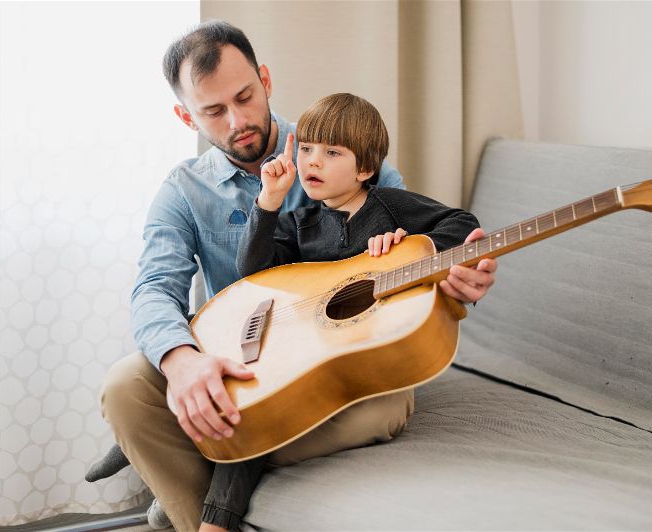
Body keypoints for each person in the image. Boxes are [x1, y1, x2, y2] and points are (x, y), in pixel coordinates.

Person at [96, 20, 498, 531]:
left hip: (351, 354)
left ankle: (191, 482)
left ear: (265, 79)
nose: (238, 119)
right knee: (124, 387)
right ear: (185, 117)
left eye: (245, 96)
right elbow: (154, 289)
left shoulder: (342, 146)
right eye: (214, 111)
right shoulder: (182, 191)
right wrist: (181, 362)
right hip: (245, 361)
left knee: (381, 411)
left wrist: (455, 278)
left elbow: (413, 244)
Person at [198, 92, 480, 531]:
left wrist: (407, 253)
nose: (313, 161)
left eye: (332, 152)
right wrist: (269, 200)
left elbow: (461, 223)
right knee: (256, 409)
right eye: (307, 149)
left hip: (373, 366)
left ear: (365, 169)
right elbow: (253, 273)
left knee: (261, 424)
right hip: (306, 356)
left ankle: (211, 498)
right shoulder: (299, 222)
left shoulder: (390, 205)